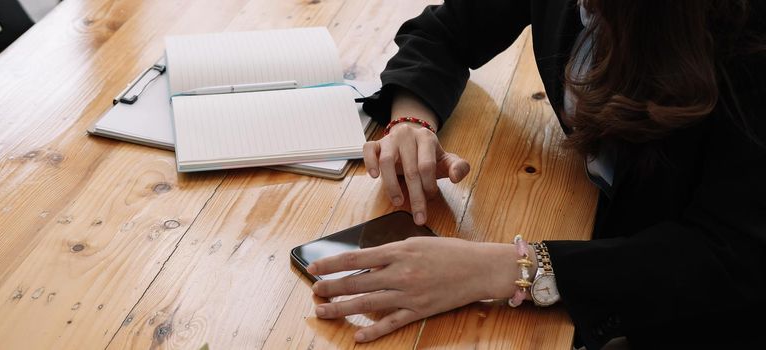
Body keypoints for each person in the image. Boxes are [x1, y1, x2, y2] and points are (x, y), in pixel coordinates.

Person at [304, 0, 766, 348]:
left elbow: (733, 255)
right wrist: (411, 119)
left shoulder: (746, 36)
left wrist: (513, 269)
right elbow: (446, 30)